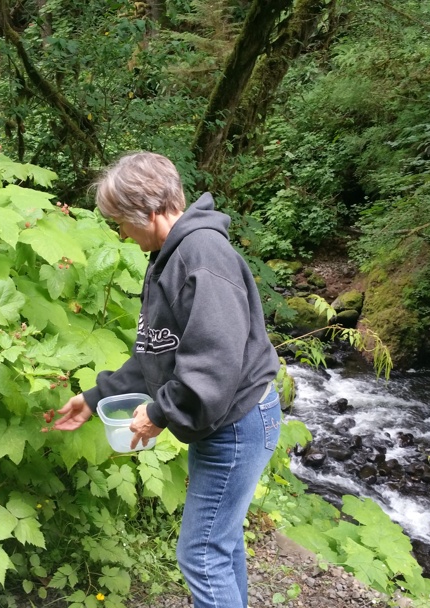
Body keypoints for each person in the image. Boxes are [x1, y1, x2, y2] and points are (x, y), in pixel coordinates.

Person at [52, 152, 282, 608]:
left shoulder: (202, 256)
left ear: (151, 211)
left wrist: (160, 413)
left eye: (120, 222)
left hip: (237, 423)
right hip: (225, 422)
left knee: (200, 554)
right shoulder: (169, 255)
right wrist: (96, 397)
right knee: (222, 543)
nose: (120, 233)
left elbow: (214, 362)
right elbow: (155, 352)